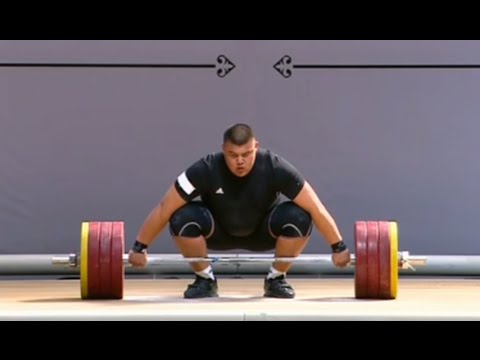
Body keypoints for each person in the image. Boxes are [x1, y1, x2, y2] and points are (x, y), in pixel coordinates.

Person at [128, 123, 351, 299]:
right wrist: (140, 247)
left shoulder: (275, 167)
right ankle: (205, 280)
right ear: (224, 150)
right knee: (181, 218)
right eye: (233, 155)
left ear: (256, 146)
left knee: (299, 216)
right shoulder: (205, 168)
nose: (240, 161)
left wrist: (338, 246)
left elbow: (316, 207)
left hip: (263, 233)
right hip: (219, 232)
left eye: (246, 154)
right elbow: (165, 207)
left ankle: (276, 280)